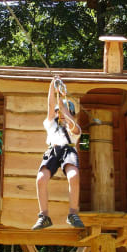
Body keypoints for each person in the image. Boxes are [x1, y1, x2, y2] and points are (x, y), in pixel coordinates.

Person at [32, 76, 85, 230]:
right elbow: (50, 105)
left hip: (68, 149)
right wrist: (52, 86)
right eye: (58, 113)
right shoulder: (50, 124)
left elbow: (72, 124)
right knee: (41, 179)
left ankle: (73, 214)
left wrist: (63, 108)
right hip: (53, 150)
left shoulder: (74, 129)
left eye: (64, 113)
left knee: (74, 176)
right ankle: (44, 216)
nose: (60, 115)